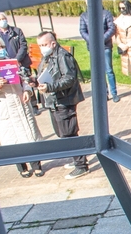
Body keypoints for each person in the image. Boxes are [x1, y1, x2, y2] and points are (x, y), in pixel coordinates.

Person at [0, 35, 44, 178]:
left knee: (29, 134)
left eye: (2, 47)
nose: (1, 50)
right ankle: (22, 167)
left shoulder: (12, 63)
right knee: (13, 139)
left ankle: (36, 165)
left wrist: (27, 90)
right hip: (5, 105)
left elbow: (24, 79)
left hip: (21, 103)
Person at [33, 32, 89, 179]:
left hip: (64, 100)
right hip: (53, 101)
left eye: (44, 45)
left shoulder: (63, 56)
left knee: (69, 133)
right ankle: (76, 157)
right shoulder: (48, 56)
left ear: (53, 43)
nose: (42, 48)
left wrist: (50, 87)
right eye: (40, 46)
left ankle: (81, 165)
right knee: (61, 133)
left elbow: (69, 79)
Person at [79, 7, 119, 102]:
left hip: (105, 46)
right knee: (99, 71)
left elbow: (112, 28)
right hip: (93, 48)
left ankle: (114, 93)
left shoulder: (106, 13)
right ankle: (104, 93)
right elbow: (82, 31)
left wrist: (100, 39)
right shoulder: (84, 15)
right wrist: (93, 41)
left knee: (109, 70)